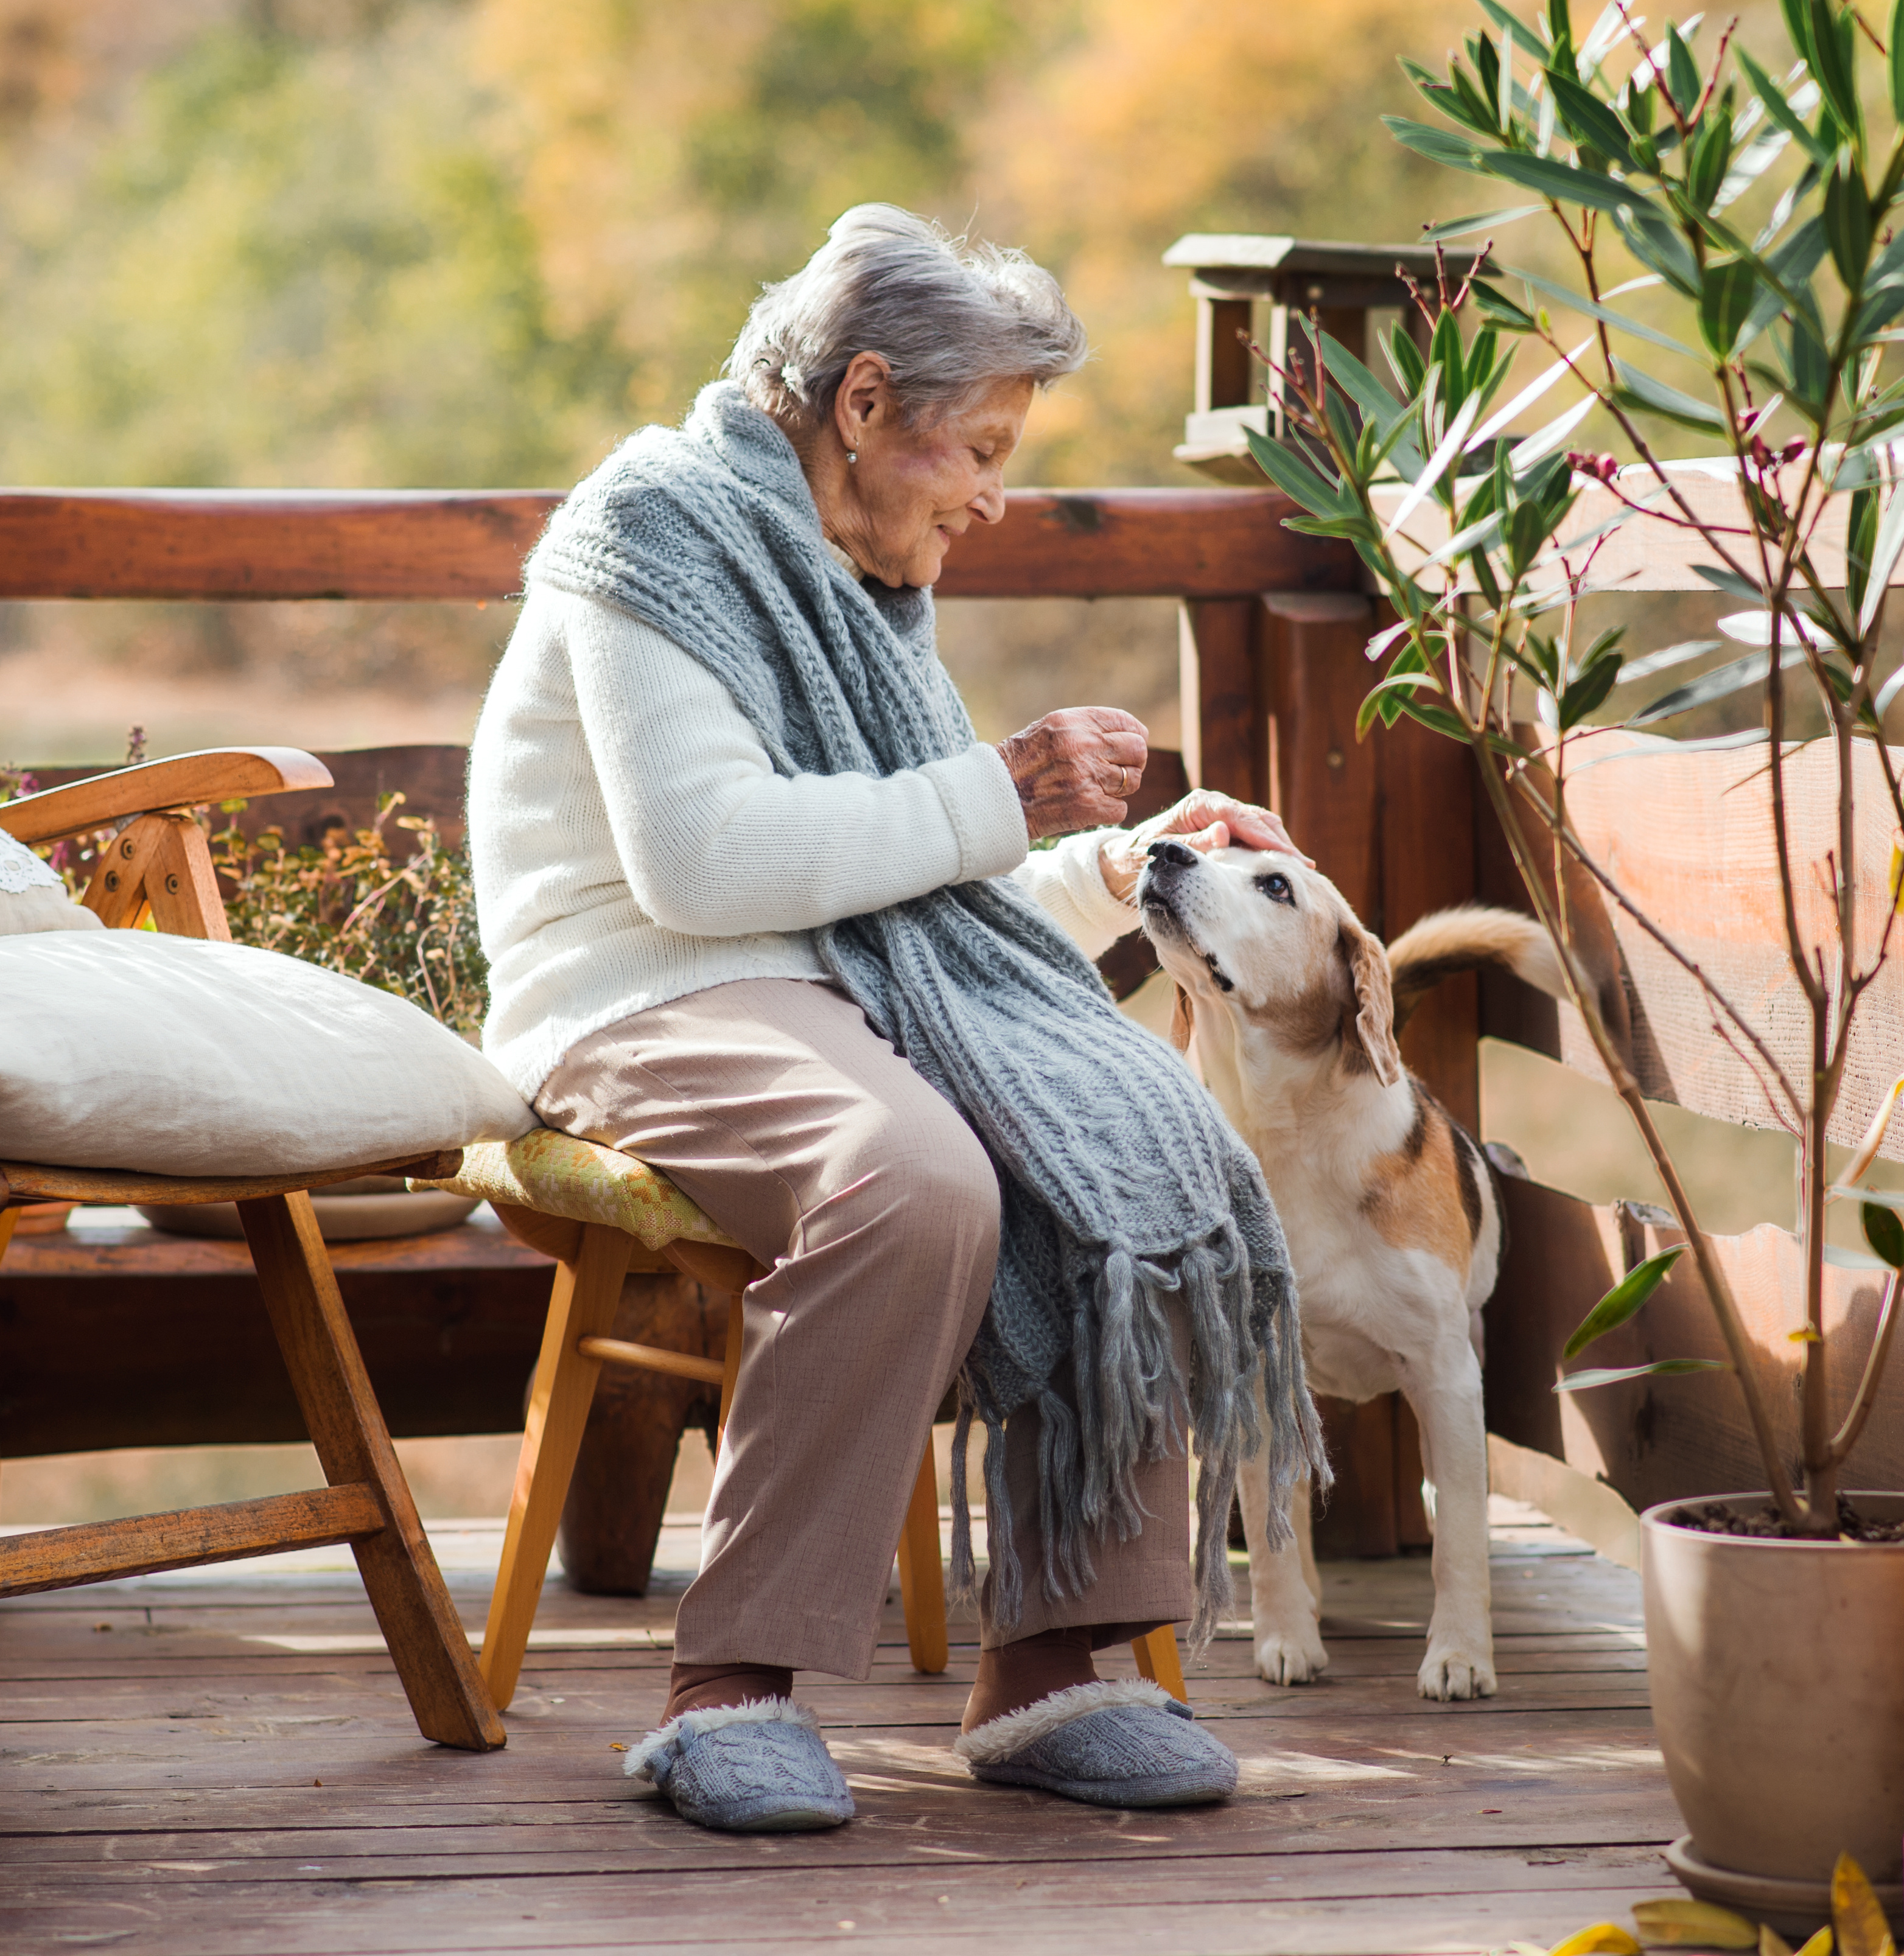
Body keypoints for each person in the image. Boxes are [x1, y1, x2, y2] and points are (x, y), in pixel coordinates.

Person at [469, 203, 1317, 1835]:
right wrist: (999, 791)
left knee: (1135, 1130)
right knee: (911, 1178)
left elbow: (934, 899)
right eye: (980, 448)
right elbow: (707, 865)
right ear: (862, 404)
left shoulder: (857, 578)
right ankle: (731, 1690)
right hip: (643, 991)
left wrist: (1137, 865)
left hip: (840, 989)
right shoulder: (652, 533)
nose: (998, 496)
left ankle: (1060, 1666)